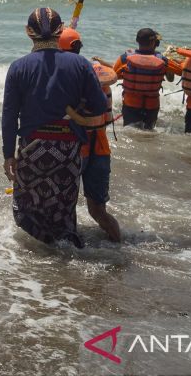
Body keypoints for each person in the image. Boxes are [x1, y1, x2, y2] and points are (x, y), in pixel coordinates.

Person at [2, 8, 107, 248]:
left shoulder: (18, 67)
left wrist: (8, 154)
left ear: (29, 32)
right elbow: (99, 105)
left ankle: (36, 262)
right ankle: (67, 258)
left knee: (28, 208)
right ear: (60, 31)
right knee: (63, 208)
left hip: (32, 149)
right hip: (67, 148)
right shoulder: (79, 64)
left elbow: (9, 116)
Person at [58, 28, 122, 242]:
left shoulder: (64, 76)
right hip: (101, 149)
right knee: (98, 211)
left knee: (65, 207)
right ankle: (118, 245)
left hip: (76, 149)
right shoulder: (97, 74)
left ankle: (69, 255)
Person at [110, 28, 177, 129]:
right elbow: (171, 79)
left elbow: (112, 76)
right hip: (152, 106)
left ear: (137, 40)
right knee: (148, 134)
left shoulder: (124, 58)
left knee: (130, 132)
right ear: (154, 42)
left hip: (131, 105)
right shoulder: (163, 60)